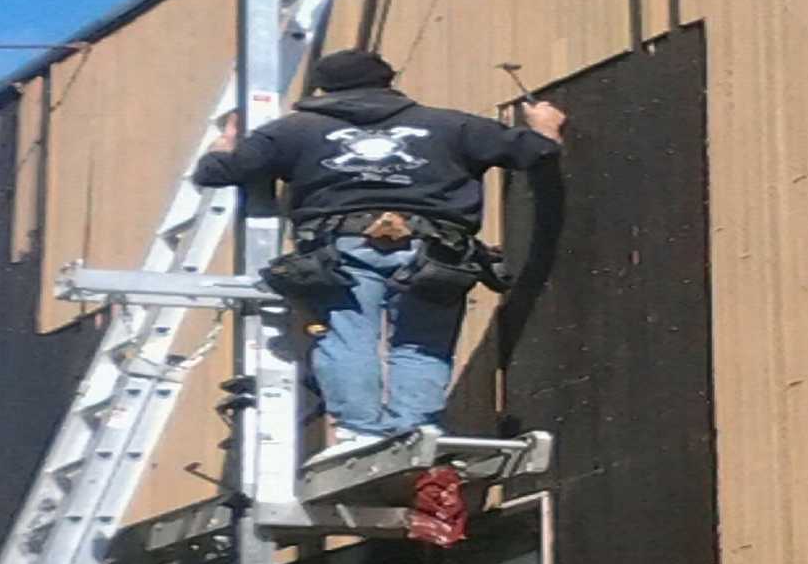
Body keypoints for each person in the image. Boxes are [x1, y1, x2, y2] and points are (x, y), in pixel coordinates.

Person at [192, 49, 566, 461]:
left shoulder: (293, 131)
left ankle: (359, 433)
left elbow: (216, 173)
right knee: (422, 343)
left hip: (343, 248)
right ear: (389, 81)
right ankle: (415, 428)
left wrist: (225, 144)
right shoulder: (450, 125)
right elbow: (536, 152)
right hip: (436, 249)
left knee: (349, 338)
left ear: (323, 87)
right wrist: (545, 128)